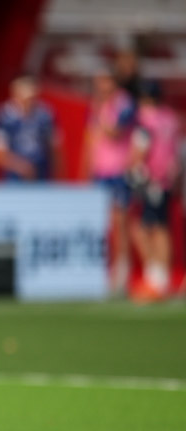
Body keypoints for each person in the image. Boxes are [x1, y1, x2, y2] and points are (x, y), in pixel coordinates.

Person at [83, 68, 136, 295]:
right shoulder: (96, 106)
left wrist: (100, 113)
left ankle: (122, 272)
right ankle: (104, 270)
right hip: (100, 171)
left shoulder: (124, 103)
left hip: (119, 170)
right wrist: (86, 170)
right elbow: (90, 139)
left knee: (121, 222)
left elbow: (115, 133)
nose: (100, 87)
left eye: (104, 82)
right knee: (102, 223)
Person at [128, 81, 181, 300]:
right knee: (159, 227)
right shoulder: (171, 118)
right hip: (167, 179)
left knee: (148, 228)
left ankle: (157, 278)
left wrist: (134, 171)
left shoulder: (146, 120)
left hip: (151, 179)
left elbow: (140, 150)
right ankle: (160, 277)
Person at [0, 75, 60, 181]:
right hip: (14, 178)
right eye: (24, 98)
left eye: (32, 98)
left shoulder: (45, 115)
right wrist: (21, 166)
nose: (29, 102)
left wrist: (59, 179)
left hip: (42, 174)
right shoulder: (3, 116)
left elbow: (55, 148)